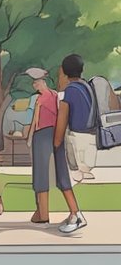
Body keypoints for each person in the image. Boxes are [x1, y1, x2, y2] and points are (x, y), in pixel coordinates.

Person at [26, 67, 81, 228]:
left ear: (42, 82)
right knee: (58, 171)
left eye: (36, 82)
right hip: (56, 132)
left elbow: (35, 121)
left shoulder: (40, 99)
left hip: (42, 134)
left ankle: (42, 213)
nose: (34, 86)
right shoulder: (55, 95)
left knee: (40, 172)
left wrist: (29, 137)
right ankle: (45, 212)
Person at [57, 55, 91, 233]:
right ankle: (73, 214)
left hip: (74, 140)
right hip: (89, 139)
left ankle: (76, 215)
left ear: (64, 71)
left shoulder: (69, 92)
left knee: (64, 179)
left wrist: (56, 143)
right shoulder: (86, 87)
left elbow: (62, 119)